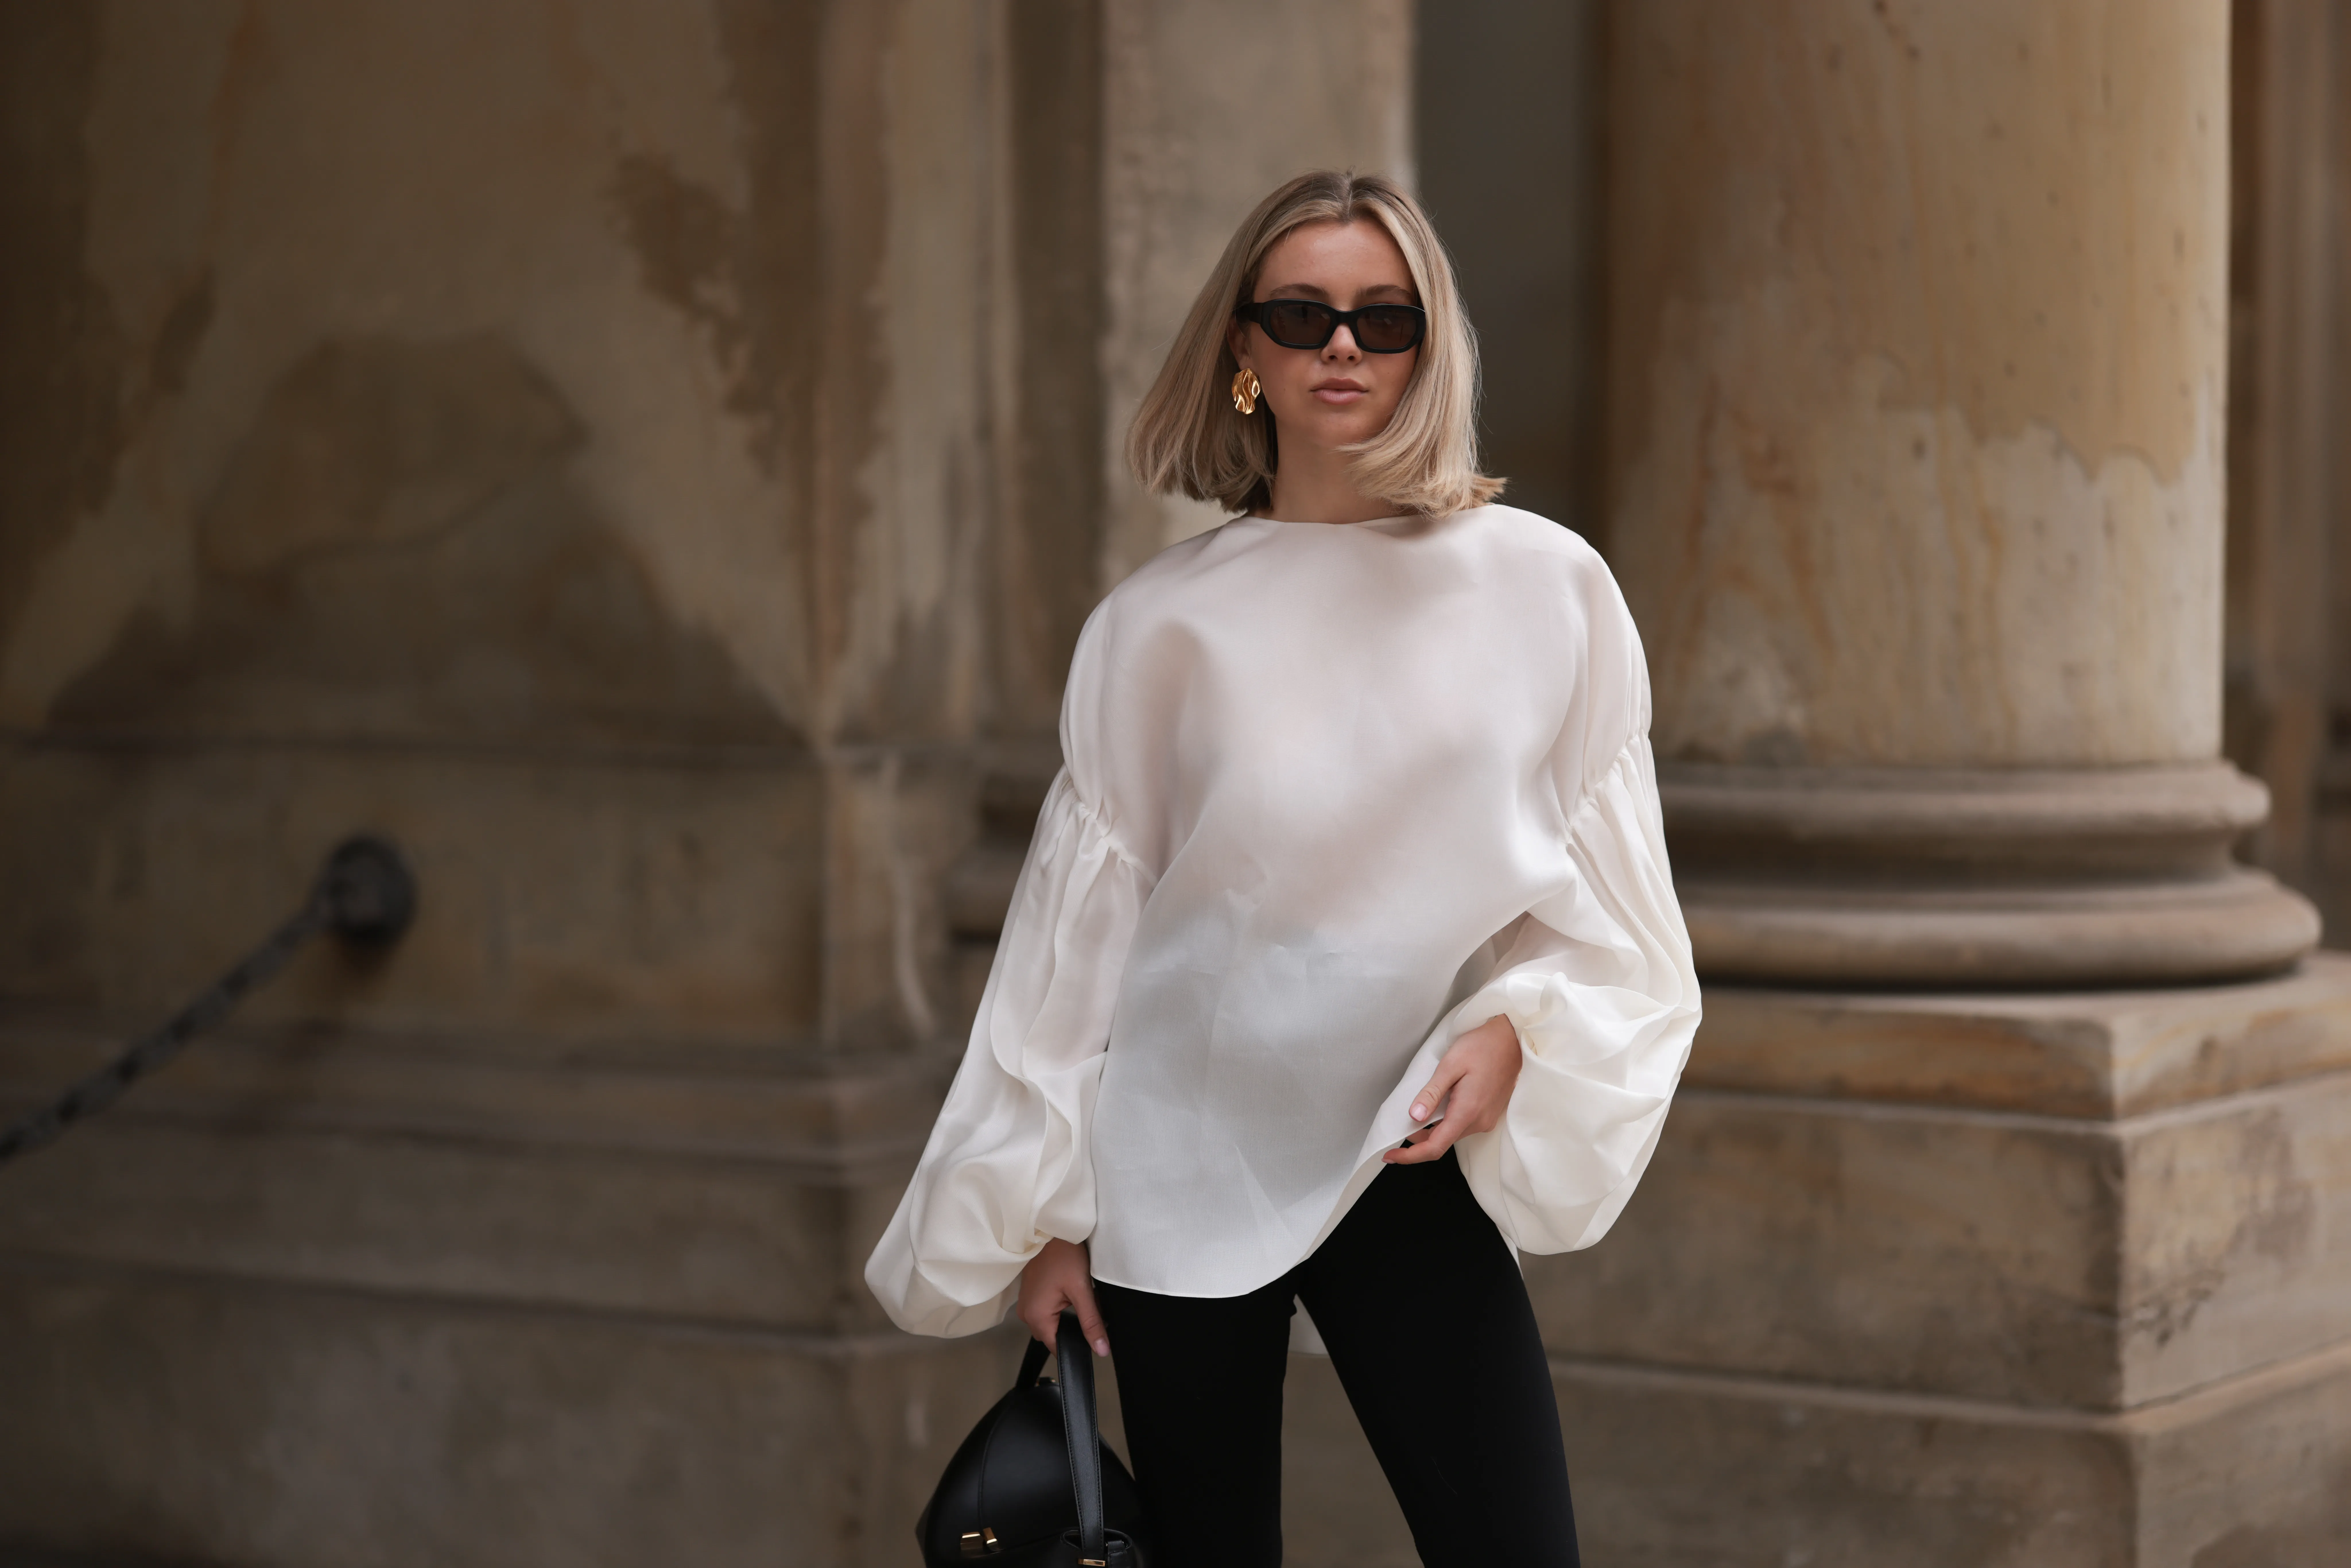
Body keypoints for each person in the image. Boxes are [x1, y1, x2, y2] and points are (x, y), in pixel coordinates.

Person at [866, 169, 1699, 1568]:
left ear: (1431, 348)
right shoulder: (1156, 627)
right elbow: (1076, 949)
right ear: (1241, 350)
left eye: (1383, 320)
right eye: (1301, 314)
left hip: (1399, 1146)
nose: (1341, 348)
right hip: (1176, 1158)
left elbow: (1610, 912)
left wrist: (1515, 1028)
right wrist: (1045, 1218)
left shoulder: (1547, 589)